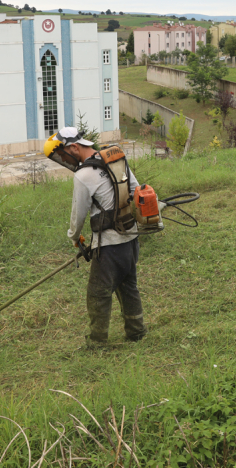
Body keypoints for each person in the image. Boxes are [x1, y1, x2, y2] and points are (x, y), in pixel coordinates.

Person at [44, 126, 146, 346]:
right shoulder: (115, 159)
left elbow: (78, 215)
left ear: (73, 147)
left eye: (62, 155)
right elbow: (136, 190)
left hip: (109, 245)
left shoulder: (83, 175)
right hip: (131, 238)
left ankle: (97, 342)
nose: (63, 160)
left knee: (98, 294)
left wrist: (74, 237)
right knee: (128, 286)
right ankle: (136, 331)